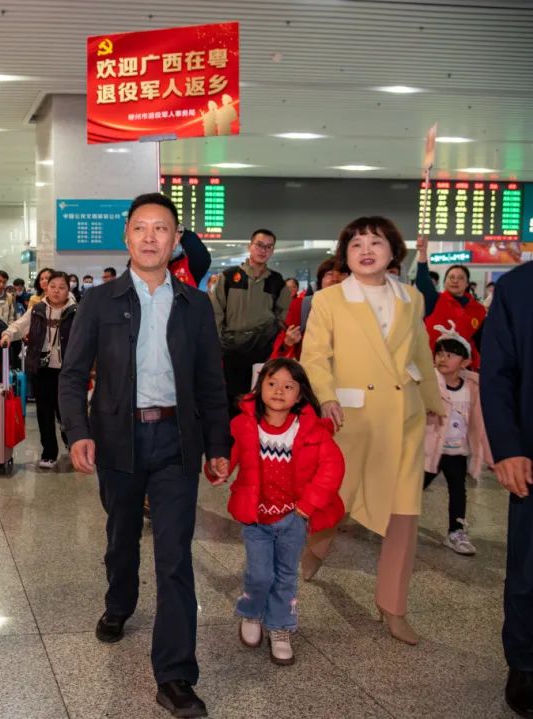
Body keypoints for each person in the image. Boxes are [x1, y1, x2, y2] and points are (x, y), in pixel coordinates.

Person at [59, 192, 230, 717]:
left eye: (161, 228)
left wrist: (218, 445)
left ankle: (175, 674)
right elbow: (72, 375)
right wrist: (78, 432)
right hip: (118, 438)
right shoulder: (99, 301)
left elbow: (211, 381)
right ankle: (119, 602)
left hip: (177, 439)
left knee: (175, 554)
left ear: (176, 240)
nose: (150, 237)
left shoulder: (195, 305)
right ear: (127, 237)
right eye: (141, 227)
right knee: (122, 535)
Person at [299, 216, 445, 646]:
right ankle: (312, 552)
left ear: (393, 251)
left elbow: (421, 352)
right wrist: (326, 397)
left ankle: (393, 606)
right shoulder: (329, 299)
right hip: (351, 419)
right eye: (356, 244)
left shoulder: (412, 298)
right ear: (345, 255)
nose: (366, 250)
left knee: (404, 512)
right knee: (335, 502)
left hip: (403, 417)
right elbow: (314, 356)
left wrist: (432, 401)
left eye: (376, 242)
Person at [206, 358, 344, 666]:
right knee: (259, 574)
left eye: (288, 386)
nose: (279, 391)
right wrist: (219, 467)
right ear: (259, 388)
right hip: (256, 518)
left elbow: (332, 467)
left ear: (300, 394)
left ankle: (280, 625)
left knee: (285, 576)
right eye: (272, 384)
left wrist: (307, 506)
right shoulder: (243, 425)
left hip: (293, 519)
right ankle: (252, 612)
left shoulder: (312, 430)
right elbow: (226, 457)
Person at [478, 261, 533, 717]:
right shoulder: (518, 288)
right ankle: (526, 663)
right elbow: (497, 375)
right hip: (531, 455)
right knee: (529, 570)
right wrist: (508, 448)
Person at [422, 325, 492, 556]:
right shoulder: (428, 383)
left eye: (450, 355)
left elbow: (480, 421)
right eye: (440, 353)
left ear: (465, 362)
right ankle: (394, 521)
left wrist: (488, 454)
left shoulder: (472, 388)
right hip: (430, 449)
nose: (443, 358)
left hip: (457, 451)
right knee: (414, 487)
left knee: (458, 491)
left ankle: (456, 531)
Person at [212, 229, 292, 414]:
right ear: (250, 246)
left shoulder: (276, 282)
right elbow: (215, 312)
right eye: (259, 245)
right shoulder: (229, 277)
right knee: (230, 401)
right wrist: (218, 344)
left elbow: (283, 314)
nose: (263, 250)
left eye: (268, 247)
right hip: (232, 350)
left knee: (259, 400)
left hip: (263, 350)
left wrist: (272, 334)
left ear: (272, 251)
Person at [1, 271, 76, 469]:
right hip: (42, 369)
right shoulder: (38, 309)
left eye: (61, 287)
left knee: (67, 412)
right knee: (44, 412)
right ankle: (49, 452)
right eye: (53, 287)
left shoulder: (76, 311)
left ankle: (73, 444)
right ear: (46, 288)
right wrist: (8, 334)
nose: (56, 291)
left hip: (68, 371)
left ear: (68, 289)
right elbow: (20, 325)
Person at [414, 237, 487, 368]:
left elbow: (481, 342)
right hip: (432, 364)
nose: (455, 281)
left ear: (467, 284)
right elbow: (423, 281)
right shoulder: (434, 299)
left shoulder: (478, 310)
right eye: (451, 277)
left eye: (460, 278)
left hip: (462, 367)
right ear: (445, 282)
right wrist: (423, 252)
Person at [271, 259, 349, 360]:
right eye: (330, 274)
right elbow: (281, 346)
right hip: (311, 364)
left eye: (342, 274)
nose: (335, 278)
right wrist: (288, 342)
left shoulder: (359, 307)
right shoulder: (301, 305)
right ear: (320, 281)